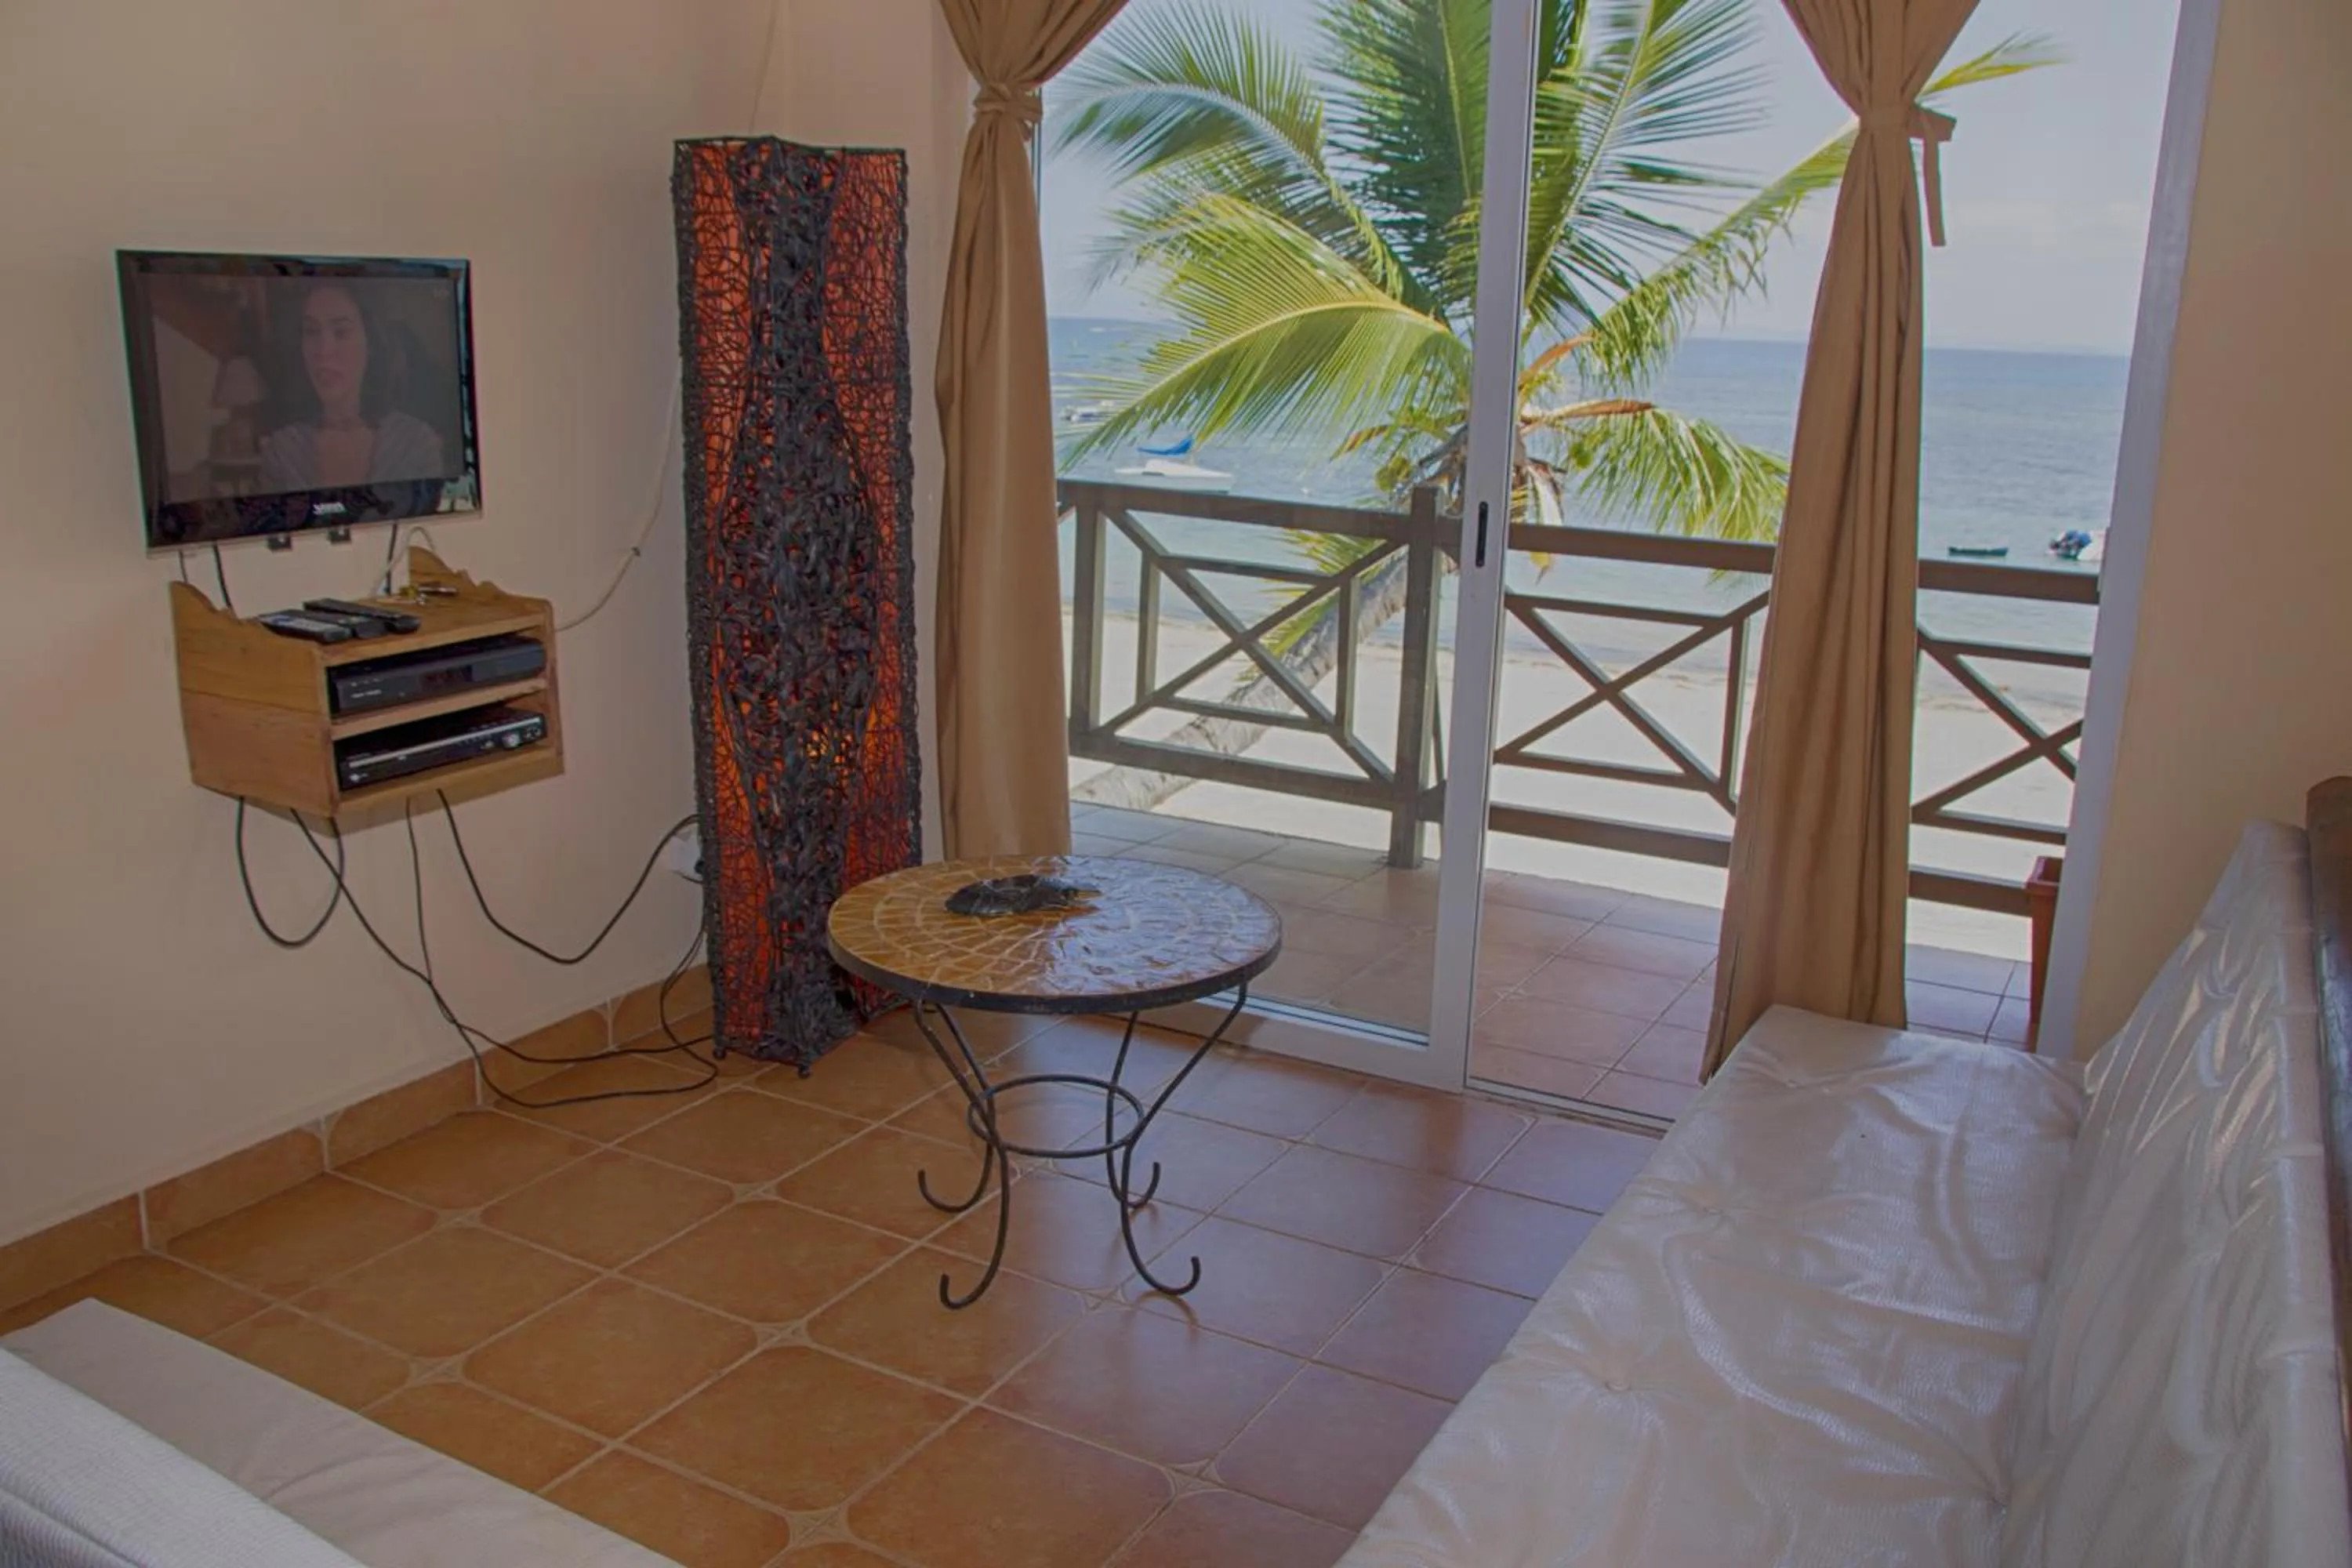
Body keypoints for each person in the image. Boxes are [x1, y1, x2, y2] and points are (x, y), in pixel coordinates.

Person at [257, 282, 445, 491]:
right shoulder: (282, 451)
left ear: (371, 342)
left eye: (341, 332)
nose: (324, 350)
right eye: (311, 332)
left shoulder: (415, 443)